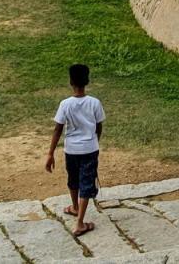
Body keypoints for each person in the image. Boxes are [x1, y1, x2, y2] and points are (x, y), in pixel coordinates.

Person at [45, 63, 106, 237]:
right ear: (87, 81)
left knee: (73, 179)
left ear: (71, 81)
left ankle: (75, 207)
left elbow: (58, 129)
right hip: (90, 149)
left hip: (71, 150)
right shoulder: (95, 103)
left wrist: (50, 153)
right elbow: (98, 126)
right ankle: (80, 223)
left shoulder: (65, 104)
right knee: (86, 183)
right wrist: (95, 141)